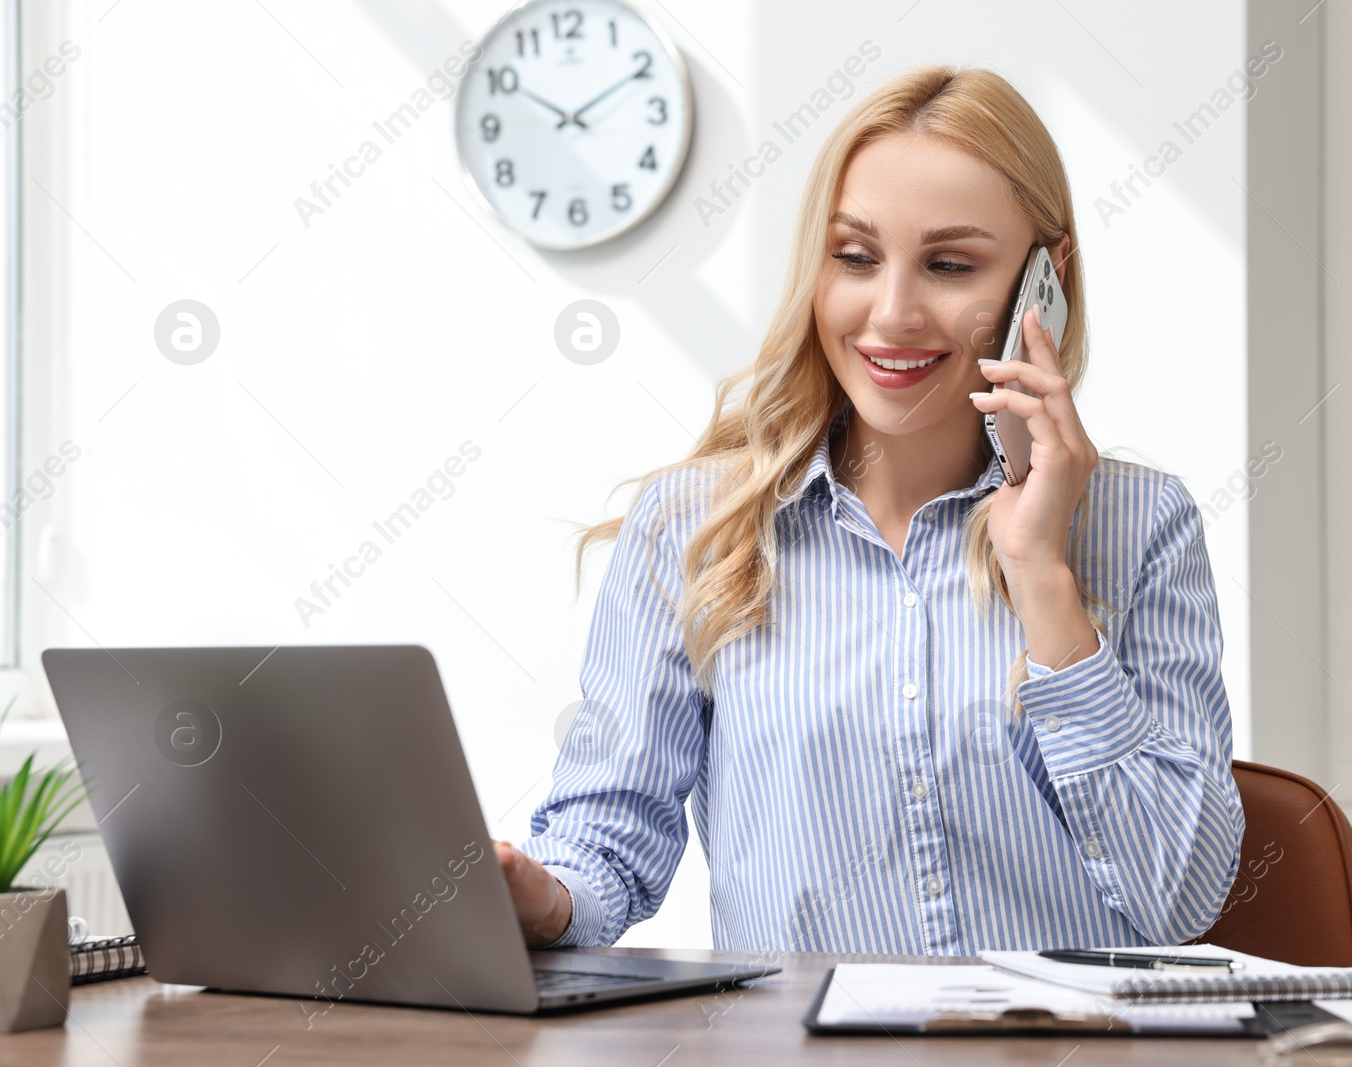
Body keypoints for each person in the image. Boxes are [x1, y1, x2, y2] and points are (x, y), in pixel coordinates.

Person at [493, 64, 1245, 955]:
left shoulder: (1139, 527)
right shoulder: (692, 526)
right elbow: (604, 844)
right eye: (854, 257)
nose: (891, 314)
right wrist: (537, 898)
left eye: (950, 264)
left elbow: (1182, 895)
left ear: (1043, 282)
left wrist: (1042, 576)